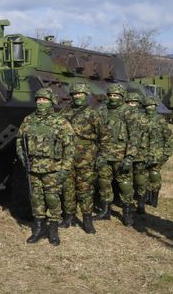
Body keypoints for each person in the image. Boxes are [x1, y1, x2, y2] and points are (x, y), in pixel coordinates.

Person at [16, 87, 74, 246]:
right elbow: (20, 141)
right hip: (33, 167)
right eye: (39, 100)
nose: (41, 102)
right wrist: (22, 157)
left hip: (52, 168)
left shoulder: (61, 122)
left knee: (52, 198)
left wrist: (65, 169)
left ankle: (53, 230)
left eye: (45, 100)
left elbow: (69, 147)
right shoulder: (28, 120)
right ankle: (39, 228)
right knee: (36, 198)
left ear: (52, 102)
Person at [59, 82, 106, 234]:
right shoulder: (64, 112)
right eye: (75, 94)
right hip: (67, 155)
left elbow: (104, 137)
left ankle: (87, 219)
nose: (77, 97)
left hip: (87, 156)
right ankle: (69, 217)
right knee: (68, 188)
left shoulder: (93, 113)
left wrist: (101, 156)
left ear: (86, 95)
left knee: (85, 188)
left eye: (80, 94)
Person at [94, 84, 138, 227]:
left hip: (121, 155)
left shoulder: (128, 112)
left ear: (122, 97)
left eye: (116, 96)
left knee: (125, 184)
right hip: (104, 154)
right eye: (111, 95)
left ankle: (127, 213)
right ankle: (105, 211)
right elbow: (95, 132)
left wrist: (129, 157)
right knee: (103, 181)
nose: (113, 98)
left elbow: (134, 137)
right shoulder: (102, 110)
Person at [142, 96, 172, 208]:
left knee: (154, 174)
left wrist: (166, 153)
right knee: (143, 175)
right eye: (147, 106)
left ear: (155, 106)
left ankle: (154, 199)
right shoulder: (142, 119)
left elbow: (168, 138)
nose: (149, 108)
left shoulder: (160, 120)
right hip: (143, 152)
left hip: (157, 153)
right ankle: (145, 196)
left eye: (152, 106)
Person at [124, 92, 150, 214]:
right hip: (125, 153)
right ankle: (127, 204)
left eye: (133, 103)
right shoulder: (122, 116)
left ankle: (140, 203)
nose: (131, 105)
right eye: (128, 102)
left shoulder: (143, 118)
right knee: (126, 181)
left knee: (140, 180)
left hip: (140, 153)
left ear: (138, 104)